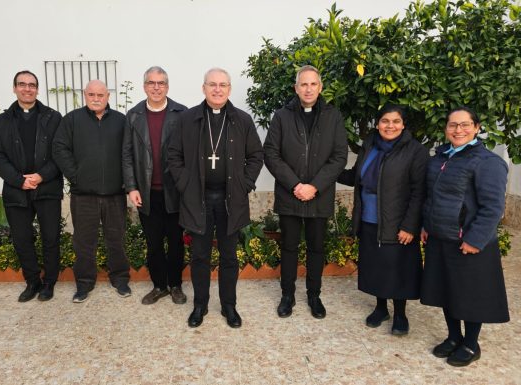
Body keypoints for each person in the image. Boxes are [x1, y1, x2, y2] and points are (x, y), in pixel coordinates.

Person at [168, 68, 263, 328]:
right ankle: (200, 305)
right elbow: (173, 155)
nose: (217, 89)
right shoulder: (188, 119)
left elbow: (256, 156)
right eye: (212, 84)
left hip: (230, 198)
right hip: (197, 198)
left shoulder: (242, 120)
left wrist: (244, 184)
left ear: (229, 89)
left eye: (223, 85)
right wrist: (185, 184)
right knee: (199, 256)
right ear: (204, 88)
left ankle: (229, 306)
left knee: (229, 256)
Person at [420, 106, 509, 367]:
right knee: (447, 291)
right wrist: (426, 225)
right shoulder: (439, 159)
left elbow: (493, 207)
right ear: (446, 129)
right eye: (452, 125)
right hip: (440, 237)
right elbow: (431, 198)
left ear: (476, 128)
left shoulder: (487, 162)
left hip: (467, 242)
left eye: (464, 125)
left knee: (469, 295)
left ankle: (470, 343)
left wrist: (475, 239)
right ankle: (453, 337)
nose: (458, 130)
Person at [263, 65, 347, 319]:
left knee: (316, 247)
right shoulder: (282, 116)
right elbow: (271, 153)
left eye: (313, 84)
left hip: (319, 196)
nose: (308, 89)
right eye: (303, 84)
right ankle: (287, 295)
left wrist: (315, 186)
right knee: (289, 247)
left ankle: (314, 295)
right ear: (296, 88)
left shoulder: (333, 116)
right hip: (291, 194)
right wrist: (296, 185)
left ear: (320, 87)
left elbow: (339, 156)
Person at [337, 104, 429, 334]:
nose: (390, 126)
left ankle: (400, 314)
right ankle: (381, 308)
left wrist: (410, 226)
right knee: (376, 265)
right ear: (377, 124)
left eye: (395, 121)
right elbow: (356, 177)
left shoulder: (415, 151)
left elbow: (419, 192)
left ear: (403, 124)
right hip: (369, 217)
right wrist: (327, 172)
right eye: (385, 121)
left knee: (398, 268)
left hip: (398, 221)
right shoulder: (369, 146)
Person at [53, 80, 131, 303]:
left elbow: (129, 151)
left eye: (100, 94)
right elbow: (59, 148)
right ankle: (84, 283)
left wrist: (126, 182)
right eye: (91, 94)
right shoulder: (72, 120)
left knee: (116, 239)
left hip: (115, 194)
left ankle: (120, 279)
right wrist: (75, 176)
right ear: (85, 95)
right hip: (83, 194)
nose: (96, 98)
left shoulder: (120, 121)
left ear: (108, 96)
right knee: (84, 242)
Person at [0, 70, 63, 302]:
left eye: (32, 85)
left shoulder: (53, 117)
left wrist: (41, 176)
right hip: (16, 189)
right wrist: (19, 180)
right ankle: (32, 281)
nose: (27, 88)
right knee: (22, 239)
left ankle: (49, 282)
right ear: (14, 88)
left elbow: (60, 153)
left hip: (47, 187)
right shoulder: (1, 121)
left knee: (51, 237)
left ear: (37, 89)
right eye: (22, 84)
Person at [122, 66, 187, 305]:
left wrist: (187, 187)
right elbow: (127, 155)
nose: (156, 87)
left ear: (167, 87)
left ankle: (176, 285)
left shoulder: (182, 113)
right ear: (144, 86)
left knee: (176, 243)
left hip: (175, 192)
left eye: (161, 83)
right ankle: (159, 286)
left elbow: (190, 154)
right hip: (147, 193)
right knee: (154, 244)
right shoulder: (134, 116)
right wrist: (132, 187)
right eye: (152, 83)